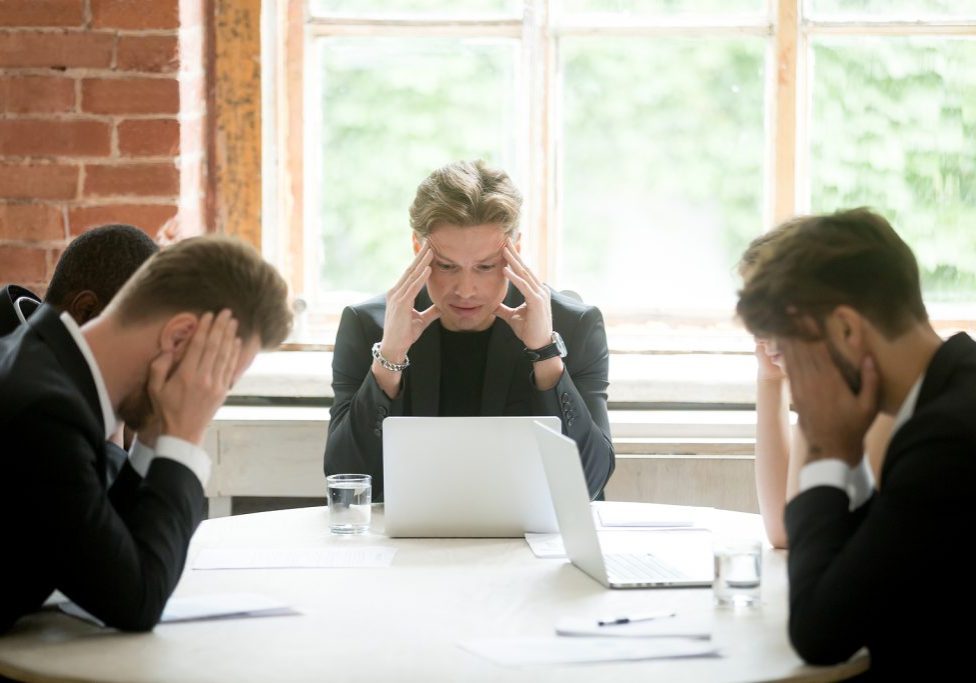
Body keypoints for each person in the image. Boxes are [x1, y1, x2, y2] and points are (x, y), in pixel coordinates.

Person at [0, 235, 291, 633]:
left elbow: (106, 546)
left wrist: (155, 439)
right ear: (177, 338)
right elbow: (136, 600)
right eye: (217, 378)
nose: (211, 397)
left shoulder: (42, 365)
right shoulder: (48, 413)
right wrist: (184, 435)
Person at [736, 207, 976, 678]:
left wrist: (828, 451)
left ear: (846, 329)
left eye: (792, 345)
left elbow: (821, 632)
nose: (791, 371)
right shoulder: (949, 390)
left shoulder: (945, 441)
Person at [324, 159, 614, 500]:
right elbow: (346, 482)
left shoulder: (573, 326)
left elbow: (589, 483)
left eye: (485, 266)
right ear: (419, 250)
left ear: (514, 251)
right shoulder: (367, 326)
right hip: (408, 545)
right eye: (446, 266)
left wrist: (545, 354)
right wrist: (389, 358)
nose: (465, 289)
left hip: (528, 546)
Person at [740, 238, 895, 549]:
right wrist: (770, 381)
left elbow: (803, 535)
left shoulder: (880, 398)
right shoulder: (831, 391)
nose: (759, 334)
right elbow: (783, 530)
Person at [1, 224, 161, 481]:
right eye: (139, 340)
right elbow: (101, 519)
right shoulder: (44, 408)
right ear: (86, 311)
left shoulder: (34, 348)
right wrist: (115, 433)